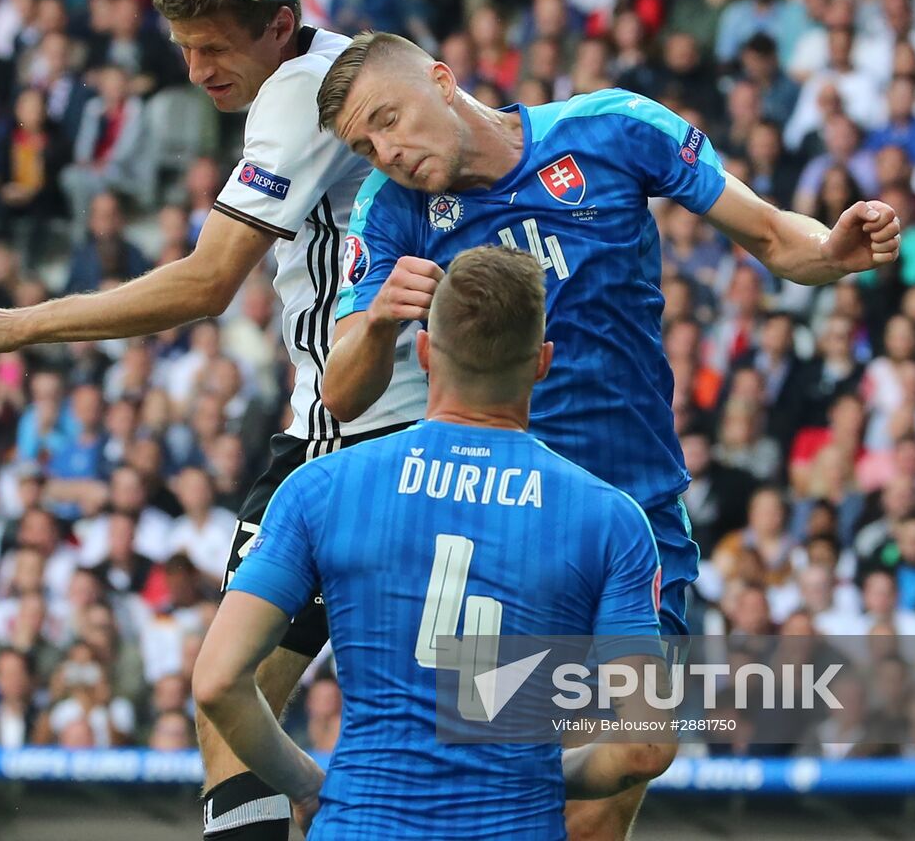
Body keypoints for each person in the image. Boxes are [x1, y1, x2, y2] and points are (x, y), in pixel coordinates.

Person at [316, 31, 900, 835]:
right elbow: (340, 393)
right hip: (498, 521)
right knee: (493, 785)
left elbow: (772, 236)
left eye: (389, 118)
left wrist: (832, 251)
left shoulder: (613, 128)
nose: (386, 152)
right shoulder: (391, 213)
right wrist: (378, 322)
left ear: (442, 81)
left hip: (638, 510)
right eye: (364, 144)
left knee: (625, 772)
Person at [0, 0, 426, 840]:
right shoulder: (372, 70)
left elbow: (205, 285)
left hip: (350, 441)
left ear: (280, 24)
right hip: (449, 431)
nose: (197, 71)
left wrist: (21, 325)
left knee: (229, 703)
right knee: (474, 727)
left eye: (214, 49)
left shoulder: (294, 97)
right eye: (185, 50)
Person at [195, 246, 673, 839]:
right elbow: (645, 747)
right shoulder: (611, 519)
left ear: (422, 353)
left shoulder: (321, 488)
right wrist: (534, 775)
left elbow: (217, 680)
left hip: (361, 820)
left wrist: (310, 783)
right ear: (543, 362)